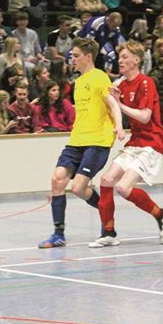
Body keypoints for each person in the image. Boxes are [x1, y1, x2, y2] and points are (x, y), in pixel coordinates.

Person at [38, 37, 124, 249]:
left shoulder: (99, 77)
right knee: (57, 180)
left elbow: (113, 104)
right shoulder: (78, 82)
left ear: (88, 56)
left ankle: (108, 223)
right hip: (77, 139)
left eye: (76, 55)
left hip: (97, 141)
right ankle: (58, 234)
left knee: (78, 188)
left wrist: (119, 127)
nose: (72, 59)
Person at [90, 41, 163, 248]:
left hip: (151, 143)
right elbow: (114, 109)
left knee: (124, 187)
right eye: (120, 57)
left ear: (137, 60)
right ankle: (109, 233)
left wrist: (120, 104)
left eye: (125, 57)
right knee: (107, 180)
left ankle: (161, 214)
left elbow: (145, 117)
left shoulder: (146, 82)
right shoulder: (119, 85)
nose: (121, 60)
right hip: (134, 142)